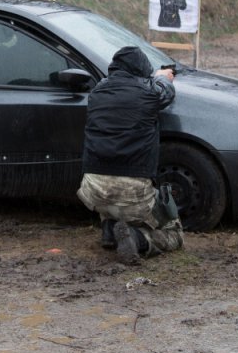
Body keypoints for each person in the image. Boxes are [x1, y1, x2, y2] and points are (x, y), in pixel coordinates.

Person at [77, 46, 183, 262]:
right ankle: (137, 238)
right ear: (142, 70)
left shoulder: (97, 92)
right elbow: (166, 93)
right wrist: (162, 77)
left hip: (92, 188)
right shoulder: (148, 93)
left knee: (110, 184)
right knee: (175, 234)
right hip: (132, 192)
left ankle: (109, 229)